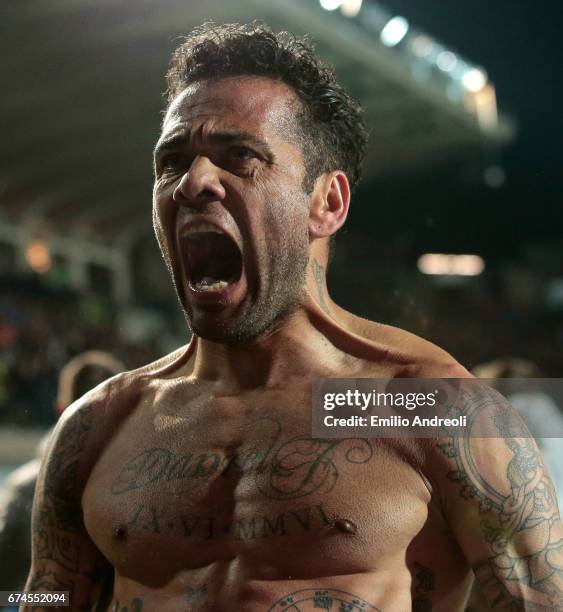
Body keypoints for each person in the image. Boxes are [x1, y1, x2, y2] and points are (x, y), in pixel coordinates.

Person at [24, 22, 563, 611]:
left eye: (240, 157)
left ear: (326, 203)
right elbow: (47, 601)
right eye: (172, 161)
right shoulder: (99, 425)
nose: (194, 182)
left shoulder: (429, 405)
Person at [0, 351, 124, 596]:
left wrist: (47, 598)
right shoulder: (148, 484)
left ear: (60, 409)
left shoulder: (27, 486)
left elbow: (3, 587)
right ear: (126, 411)